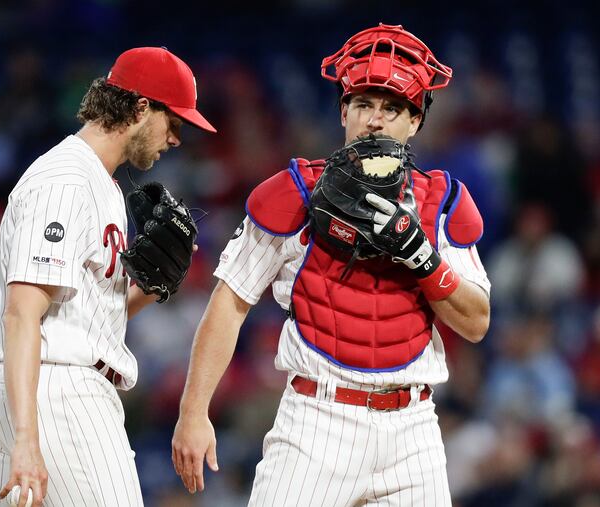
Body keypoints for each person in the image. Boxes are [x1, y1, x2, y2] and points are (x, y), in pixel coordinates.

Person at [172, 23, 490, 506]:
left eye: (392, 108)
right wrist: (194, 412)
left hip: (413, 427)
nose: (375, 121)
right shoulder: (293, 193)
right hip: (317, 422)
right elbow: (229, 302)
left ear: (415, 121)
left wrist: (424, 260)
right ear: (344, 111)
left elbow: (477, 322)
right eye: (363, 104)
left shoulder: (443, 203)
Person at [0, 47, 216, 507]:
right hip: (56, 392)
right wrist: (28, 439)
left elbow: (82, 312)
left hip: (41, 385)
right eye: (175, 122)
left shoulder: (101, 184)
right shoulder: (65, 181)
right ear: (141, 108)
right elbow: (23, 313)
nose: (177, 139)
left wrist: (152, 288)